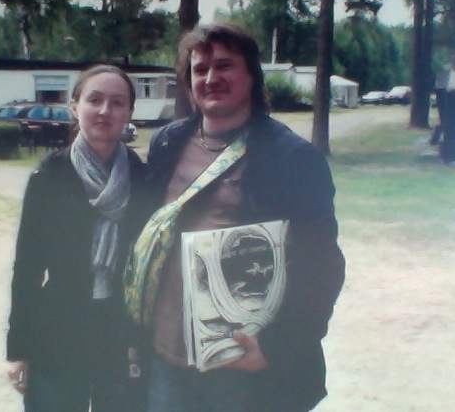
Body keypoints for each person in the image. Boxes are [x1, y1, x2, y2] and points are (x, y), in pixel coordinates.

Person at [124, 23, 345, 412]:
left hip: (241, 364)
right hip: (166, 357)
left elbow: (322, 267)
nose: (211, 78)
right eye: (200, 69)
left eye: (224, 66)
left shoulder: (293, 158)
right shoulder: (167, 142)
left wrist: (275, 348)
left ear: (251, 76)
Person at [6, 64, 146, 412]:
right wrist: (18, 349)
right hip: (59, 328)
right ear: (75, 107)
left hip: (119, 330)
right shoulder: (49, 176)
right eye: (94, 100)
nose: (105, 111)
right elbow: (27, 268)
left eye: (117, 102)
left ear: (129, 112)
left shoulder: (143, 177)